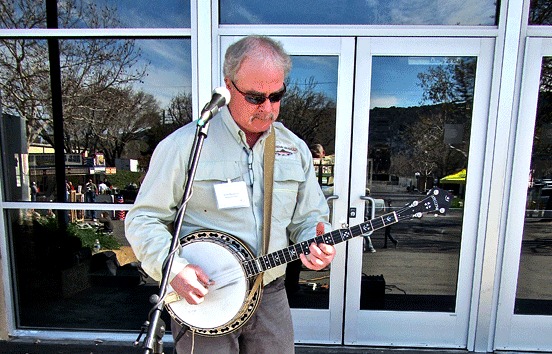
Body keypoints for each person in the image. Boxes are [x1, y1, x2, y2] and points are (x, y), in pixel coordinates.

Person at [125, 35, 335, 354]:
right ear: (228, 85)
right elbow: (144, 218)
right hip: (206, 295)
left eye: (276, 95)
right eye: (254, 97)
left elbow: (309, 218)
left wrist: (317, 242)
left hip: (270, 291)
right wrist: (174, 267)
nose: (267, 108)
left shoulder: (294, 149)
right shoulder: (186, 146)